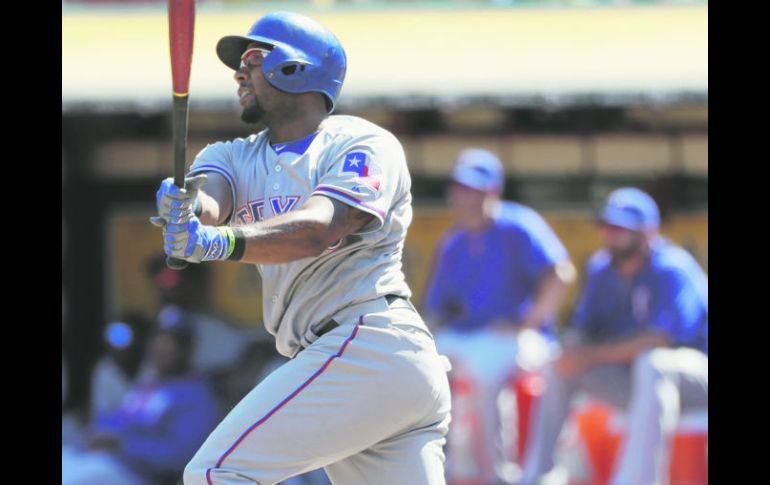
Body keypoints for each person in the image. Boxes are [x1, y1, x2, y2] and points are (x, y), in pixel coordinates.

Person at [151, 11, 451, 485]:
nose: (239, 72)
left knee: (214, 472)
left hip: (368, 342)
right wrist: (187, 210)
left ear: (297, 67)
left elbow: (320, 229)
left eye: (252, 58)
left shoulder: (361, 142)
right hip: (357, 363)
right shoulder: (232, 154)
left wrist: (219, 242)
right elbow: (211, 200)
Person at [520, 187, 708, 485]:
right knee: (559, 362)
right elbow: (584, 333)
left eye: (621, 228)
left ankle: (636, 481)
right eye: (608, 226)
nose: (611, 234)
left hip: (695, 378)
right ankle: (535, 476)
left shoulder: (673, 267)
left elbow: (660, 338)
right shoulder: (600, 269)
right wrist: (571, 351)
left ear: (648, 231)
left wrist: (588, 355)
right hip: (640, 385)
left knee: (654, 363)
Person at [422, 148, 576, 484]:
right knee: (419, 366)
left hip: (521, 338)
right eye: (458, 188)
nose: (460, 197)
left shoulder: (517, 224)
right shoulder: (453, 241)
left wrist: (528, 321)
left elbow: (560, 273)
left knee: (483, 370)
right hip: (468, 336)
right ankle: (436, 471)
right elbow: (435, 309)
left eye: (470, 189)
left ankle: (498, 476)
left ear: (492, 191)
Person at [62, 312, 221, 485]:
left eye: (170, 343)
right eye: (158, 340)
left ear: (186, 349)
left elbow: (182, 457)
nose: (161, 348)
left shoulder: (197, 396)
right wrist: (93, 437)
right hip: (99, 460)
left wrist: (122, 444)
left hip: (135, 474)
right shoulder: (149, 385)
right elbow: (117, 419)